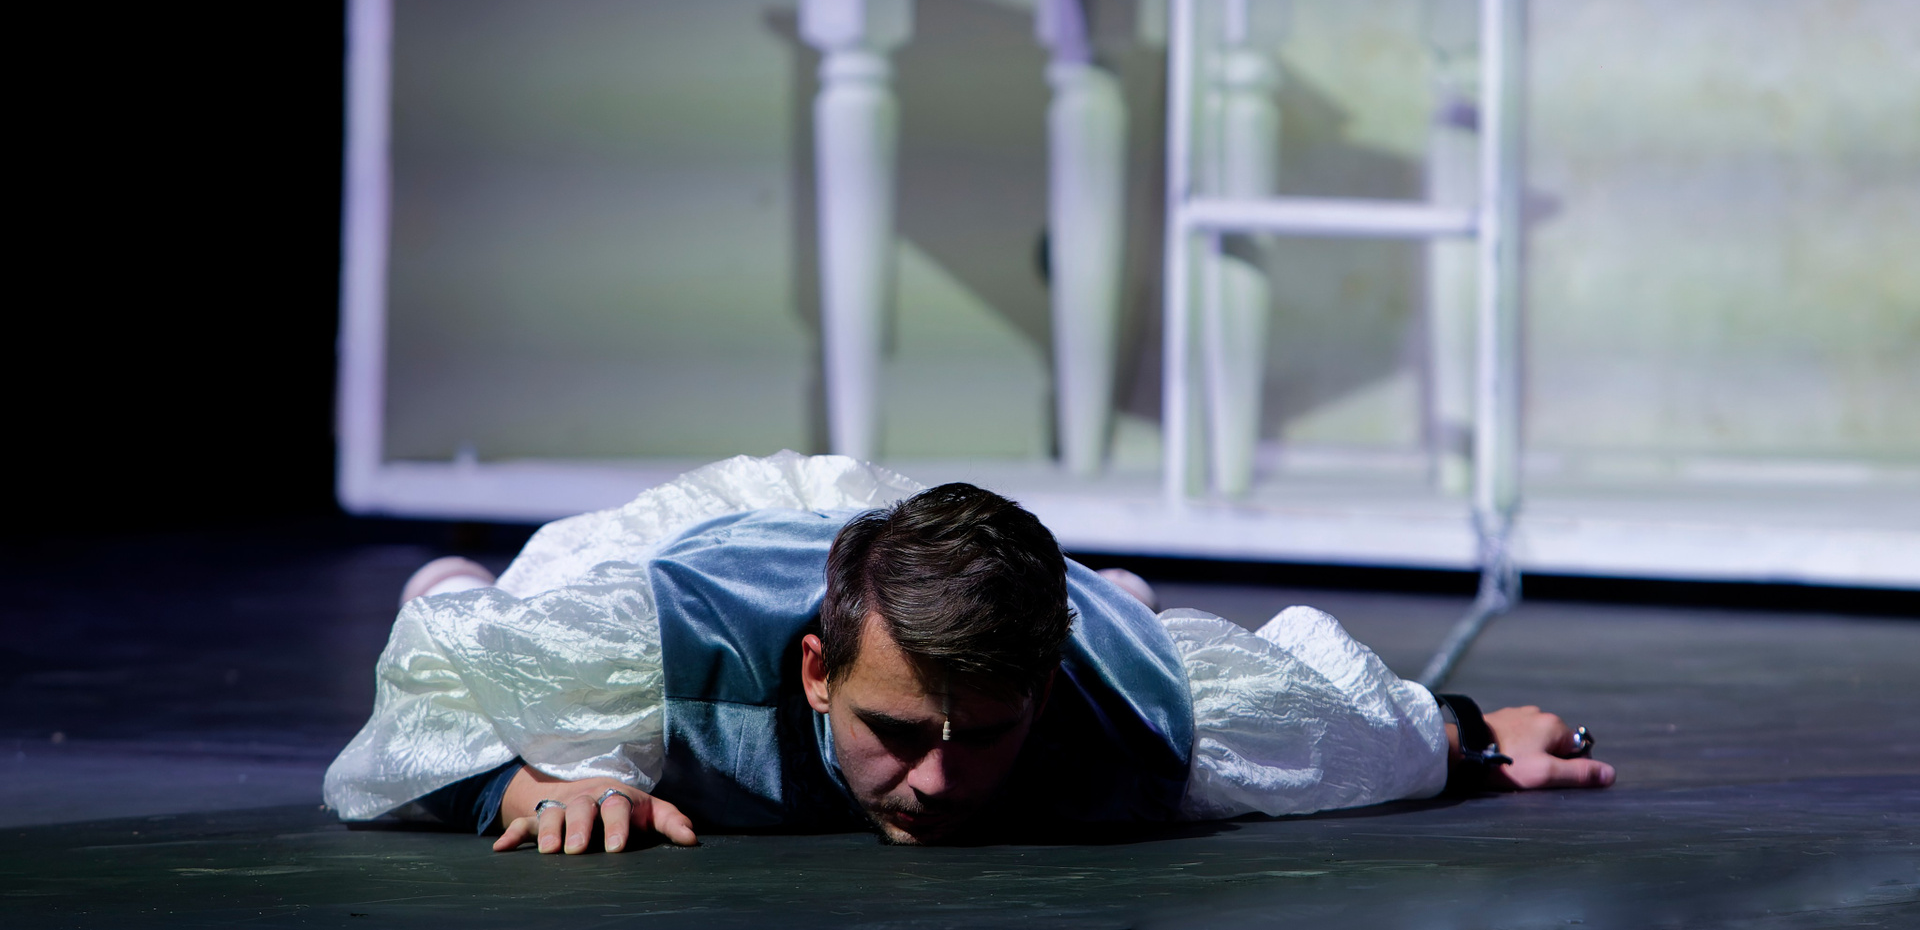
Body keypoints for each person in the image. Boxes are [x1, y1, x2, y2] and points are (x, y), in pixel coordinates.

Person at [324, 453, 1612, 854]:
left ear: (1043, 692)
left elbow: (1346, 726)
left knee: (1124, 612)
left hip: (1018, 591)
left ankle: (1107, 586)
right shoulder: (645, 640)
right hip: (712, 544)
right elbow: (417, 708)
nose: (938, 782)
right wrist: (525, 780)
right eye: (896, 733)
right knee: (494, 590)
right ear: (818, 676)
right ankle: (452, 557)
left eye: (982, 735)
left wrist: (1464, 736)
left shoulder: (1141, 705)